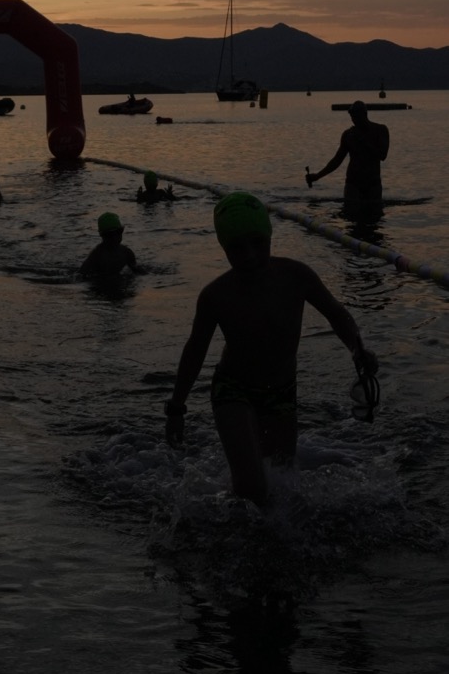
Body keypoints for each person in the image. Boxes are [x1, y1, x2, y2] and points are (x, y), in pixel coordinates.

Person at [165, 191, 378, 507]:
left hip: (281, 392)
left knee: (282, 484)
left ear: (269, 237)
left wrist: (357, 349)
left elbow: (336, 314)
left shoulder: (296, 276)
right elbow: (195, 350)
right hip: (233, 390)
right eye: (237, 248)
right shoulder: (216, 296)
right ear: (224, 248)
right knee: (252, 489)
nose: (249, 255)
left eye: (257, 243)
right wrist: (176, 407)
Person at [306, 100, 389, 210]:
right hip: (353, 183)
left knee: (374, 214)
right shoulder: (348, 135)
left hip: (373, 183)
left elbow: (382, 155)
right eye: (352, 117)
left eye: (356, 117)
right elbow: (337, 160)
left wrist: (362, 140)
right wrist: (318, 176)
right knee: (351, 213)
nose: (354, 120)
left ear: (365, 114)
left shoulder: (380, 130)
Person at [79, 212, 139, 278]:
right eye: (109, 235)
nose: (114, 237)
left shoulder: (127, 253)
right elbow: (81, 275)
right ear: (102, 235)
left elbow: (136, 270)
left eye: (118, 232)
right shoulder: (96, 256)